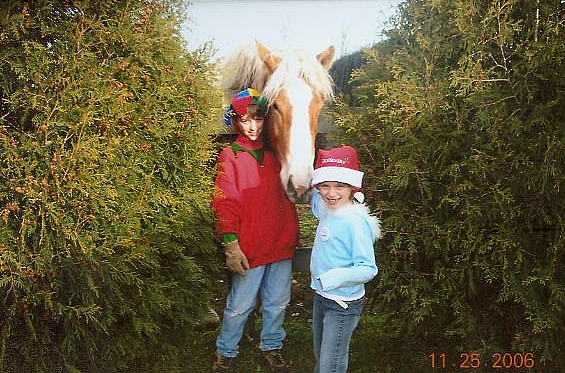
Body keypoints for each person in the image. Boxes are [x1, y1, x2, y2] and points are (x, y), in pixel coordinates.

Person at [212, 88, 299, 373]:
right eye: (245, 120)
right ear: (235, 121)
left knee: (277, 302)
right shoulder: (231, 155)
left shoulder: (278, 153)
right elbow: (224, 202)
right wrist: (231, 245)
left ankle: (272, 346)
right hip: (249, 247)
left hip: (280, 243)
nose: (253, 126)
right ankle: (226, 350)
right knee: (239, 305)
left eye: (258, 119)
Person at [308, 145, 381, 373]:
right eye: (325, 186)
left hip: (342, 303)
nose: (331, 193)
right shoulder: (327, 208)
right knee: (321, 355)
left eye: (340, 186)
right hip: (321, 297)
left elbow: (368, 269)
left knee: (332, 363)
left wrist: (332, 278)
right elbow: (313, 200)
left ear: (352, 188)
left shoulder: (354, 222)